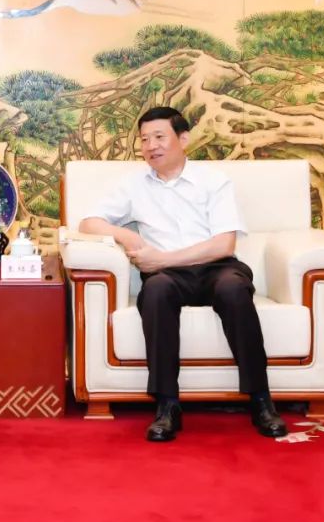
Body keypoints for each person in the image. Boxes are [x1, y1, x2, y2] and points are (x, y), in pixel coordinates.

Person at [79, 106, 287, 442]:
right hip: (168, 277)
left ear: (183, 139)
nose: (151, 146)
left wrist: (162, 259)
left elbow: (224, 244)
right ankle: (167, 405)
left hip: (217, 267)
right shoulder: (133, 185)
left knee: (234, 290)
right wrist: (127, 236)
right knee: (156, 292)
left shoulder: (213, 181)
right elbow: (88, 222)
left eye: (159, 137)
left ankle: (261, 400)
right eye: (144, 139)